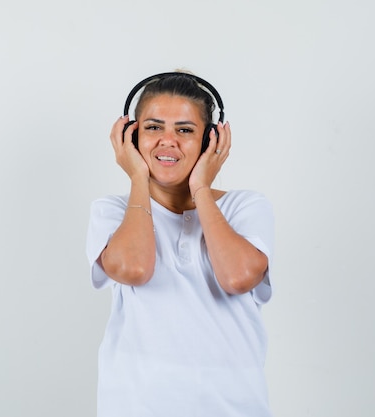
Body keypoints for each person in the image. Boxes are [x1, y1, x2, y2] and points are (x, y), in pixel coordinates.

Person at [85, 71, 275, 417]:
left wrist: (201, 186)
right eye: (153, 128)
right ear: (131, 136)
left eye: (185, 130)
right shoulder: (111, 212)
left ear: (209, 141)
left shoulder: (244, 207)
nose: (167, 141)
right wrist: (138, 177)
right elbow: (134, 268)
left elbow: (238, 277)